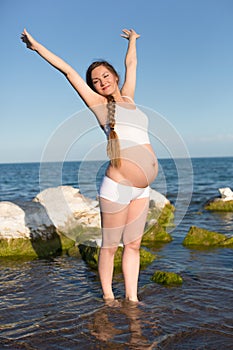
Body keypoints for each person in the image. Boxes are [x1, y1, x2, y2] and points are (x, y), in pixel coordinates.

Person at [21, 28, 158, 303]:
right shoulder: (98, 105)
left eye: (106, 76)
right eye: (96, 81)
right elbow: (69, 72)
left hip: (142, 190)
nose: (102, 82)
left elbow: (131, 63)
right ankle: (108, 298)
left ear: (115, 77)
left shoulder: (129, 98)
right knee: (109, 246)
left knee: (133, 245)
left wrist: (132, 41)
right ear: (94, 87)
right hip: (118, 186)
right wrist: (38, 48)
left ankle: (132, 299)